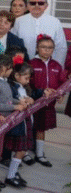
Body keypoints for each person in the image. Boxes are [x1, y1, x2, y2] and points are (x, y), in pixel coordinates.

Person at [3, 60, 44, 188]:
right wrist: (24, 100)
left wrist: (43, 92)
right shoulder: (12, 88)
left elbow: (33, 94)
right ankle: (10, 176)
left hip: (25, 124)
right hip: (19, 125)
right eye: (26, 78)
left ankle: (13, 173)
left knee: (21, 150)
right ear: (16, 76)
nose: (28, 81)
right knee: (20, 150)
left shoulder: (23, 87)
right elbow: (10, 101)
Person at [30, 35, 66, 167]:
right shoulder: (31, 63)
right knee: (29, 127)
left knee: (41, 128)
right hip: (32, 102)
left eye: (50, 48)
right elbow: (27, 83)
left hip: (48, 104)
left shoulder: (56, 65)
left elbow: (62, 83)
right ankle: (26, 153)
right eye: (43, 47)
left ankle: (39, 153)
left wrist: (60, 94)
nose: (46, 50)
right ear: (37, 48)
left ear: (53, 50)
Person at [12, 0, 67, 64]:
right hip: (24, 66)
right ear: (28, 6)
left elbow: (61, 48)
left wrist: (55, 67)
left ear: (46, 6)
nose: (36, 6)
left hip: (48, 66)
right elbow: (13, 45)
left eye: (40, 3)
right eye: (32, 3)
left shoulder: (55, 22)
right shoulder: (18, 21)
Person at [0, 54, 18, 189]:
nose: (12, 71)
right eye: (10, 68)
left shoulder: (4, 81)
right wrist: (14, 107)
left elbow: (8, 99)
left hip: (4, 124)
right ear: (2, 68)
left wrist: (20, 102)